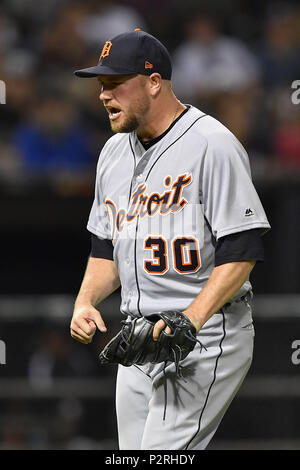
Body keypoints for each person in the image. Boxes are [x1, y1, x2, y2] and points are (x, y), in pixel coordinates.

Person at [70, 29, 270, 450]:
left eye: (114, 84)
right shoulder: (112, 153)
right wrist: (86, 300)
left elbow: (243, 248)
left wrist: (192, 318)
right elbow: (107, 246)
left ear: (154, 82)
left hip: (207, 331)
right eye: (101, 86)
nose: (104, 95)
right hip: (139, 334)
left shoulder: (211, 144)